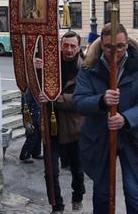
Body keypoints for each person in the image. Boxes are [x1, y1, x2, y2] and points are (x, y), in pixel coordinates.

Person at [73, 23, 138, 214]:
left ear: (127, 43)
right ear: (101, 45)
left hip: (132, 136)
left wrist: (126, 119)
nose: (115, 51)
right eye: (109, 47)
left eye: (120, 46)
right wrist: (101, 101)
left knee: (133, 191)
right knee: (102, 193)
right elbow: (79, 101)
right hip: (100, 137)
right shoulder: (89, 66)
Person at [38, 31, 87, 213]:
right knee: (50, 170)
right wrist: (36, 69)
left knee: (77, 168)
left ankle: (78, 196)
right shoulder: (51, 64)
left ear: (78, 47)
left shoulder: (85, 68)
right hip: (50, 126)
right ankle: (56, 205)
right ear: (60, 45)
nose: (68, 50)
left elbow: (81, 100)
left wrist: (54, 98)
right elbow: (36, 87)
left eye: (73, 46)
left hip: (74, 126)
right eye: (65, 45)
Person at [19, 88, 42, 164]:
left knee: (39, 134)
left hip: (37, 112)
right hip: (31, 115)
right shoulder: (27, 88)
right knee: (32, 135)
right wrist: (27, 121)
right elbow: (26, 104)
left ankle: (36, 153)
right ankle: (25, 155)